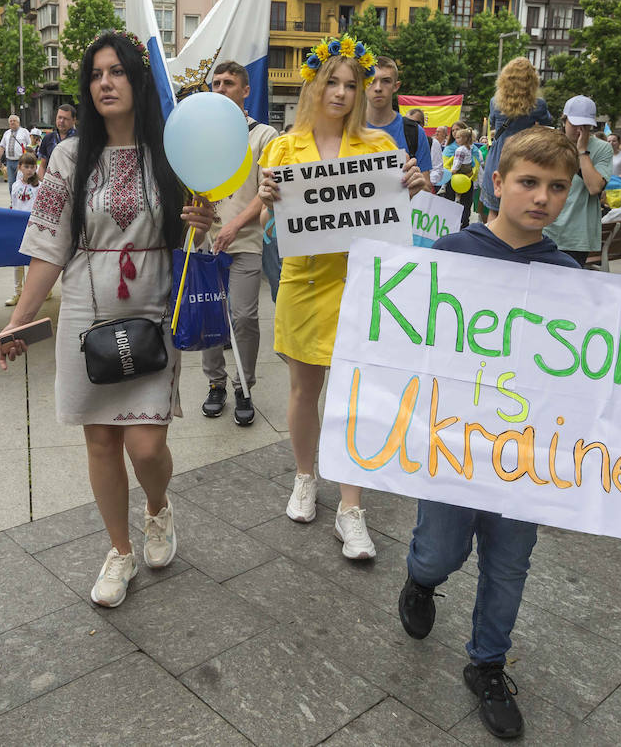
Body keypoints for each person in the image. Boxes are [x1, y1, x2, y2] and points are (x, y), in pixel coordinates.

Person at [0, 29, 213, 608]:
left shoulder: (173, 152)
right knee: (100, 443)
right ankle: (119, 551)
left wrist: (203, 219)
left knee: (145, 448)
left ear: (137, 81)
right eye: (95, 74)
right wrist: (20, 319)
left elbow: (204, 230)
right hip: (86, 310)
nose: (105, 83)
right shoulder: (68, 155)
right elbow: (47, 244)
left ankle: (158, 508)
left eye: (116, 72)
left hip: (153, 306)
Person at [398, 126, 582, 741]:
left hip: (524, 449)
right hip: (454, 439)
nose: (542, 198)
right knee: (442, 548)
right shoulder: (452, 251)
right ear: (496, 182)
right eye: (528, 183)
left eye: (557, 188)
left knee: (510, 565)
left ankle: (488, 664)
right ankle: (421, 578)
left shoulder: (566, 270)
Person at [258, 39, 427, 561]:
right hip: (305, 282)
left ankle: (350, 507)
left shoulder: (379, 147)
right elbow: (269, 227)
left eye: (352, 84)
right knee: (305, 390)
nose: (343, 92)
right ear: (313, 84)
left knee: (355, 396)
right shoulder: (284, 149)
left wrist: (414, 188)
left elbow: (395, 213)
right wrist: (266, 201)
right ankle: (305, 476)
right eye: (332, 81)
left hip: (361, 286)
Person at [198, 61, 280, 426]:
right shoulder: (200, 134)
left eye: (228, 83)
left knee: (244, 317)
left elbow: (267, 194)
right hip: (205, 241)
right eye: (215, 83)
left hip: (245, 239)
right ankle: (215, 382)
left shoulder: (264, 136)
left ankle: (243, 385)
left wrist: (233, 225)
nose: (220, 88)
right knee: (209, 317)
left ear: (246, 91)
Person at [478, 58, 554, 219]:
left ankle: (492, 243)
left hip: (498, 157)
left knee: (494, 210)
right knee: (519, 212)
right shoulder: (538, 105)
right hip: (522, 157)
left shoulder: (495, 102)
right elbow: (548, 121)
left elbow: (492, 122)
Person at [543, 95, 612, 266]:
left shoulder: (602, 148)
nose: (580, 130)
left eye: (585, 126)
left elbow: (595, 187)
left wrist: (582, 152)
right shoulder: (548, 144)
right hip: (545, 227)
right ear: (564, 120)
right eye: (574, 124)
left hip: (576, 235)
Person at [365, 56, 433, 182]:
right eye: (371, 81)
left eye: (386, 81)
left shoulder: (414, 132)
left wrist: (416, 182)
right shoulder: (345, 129)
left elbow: (426, 187)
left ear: (396, 86)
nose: (378, 88)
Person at [6, 153, 40, 306]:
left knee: (34, 262)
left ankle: (36, 292)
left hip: (33, 227)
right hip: (17, 228)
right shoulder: (15, 185)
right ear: (19, 167)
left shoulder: (39, 186)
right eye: (26, 166)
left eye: (32, 166)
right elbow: (13, 204)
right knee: (17, 262)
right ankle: (18, 292)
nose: (29, 170)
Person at [441, 126, 477, 228]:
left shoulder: (461, 149)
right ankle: (459, 223)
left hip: (461, 176)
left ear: (464, 138)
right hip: (464, 176)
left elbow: (457, 163)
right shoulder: (468, 148)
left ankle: (457, 223)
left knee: (461, 202)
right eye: (453, 131)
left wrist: (453, 171)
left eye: (458, 136)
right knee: (459, 202)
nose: (455, 135)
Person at [36, 103, 76, 180]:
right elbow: (42, 166)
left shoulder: (80, 140)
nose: (61, 121)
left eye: (65, 118)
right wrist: (43, 184)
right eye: (59, 117)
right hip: (52, 184)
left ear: (73, 120)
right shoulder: (48, 138)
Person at [0, 114, 30, 195]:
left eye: (14, 121)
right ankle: (13, 202)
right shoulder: (6, 133)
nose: (12, 122)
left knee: (21, 183)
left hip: (21, 162)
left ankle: (21, 200)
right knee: (11, 184)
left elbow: (30, 146)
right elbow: (2, 147)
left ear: (18, 122)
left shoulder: (24, 132)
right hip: (9, 162)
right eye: (10, 121)